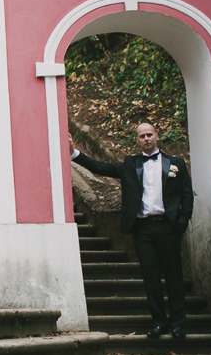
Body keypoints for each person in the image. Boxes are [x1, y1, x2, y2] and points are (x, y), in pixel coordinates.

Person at [69, 123, 193, 339]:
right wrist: (73, 153)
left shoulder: (176, 164)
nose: (146, 138)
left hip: (168, 227)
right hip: (143, 230)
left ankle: (178, 323)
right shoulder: (130, 164)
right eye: (142, 136)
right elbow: (100, 168)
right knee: (150, 276)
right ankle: (159, 322)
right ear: (137, 140)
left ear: (157, 136)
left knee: (174, 275)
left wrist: (181, 222)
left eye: (149, 134)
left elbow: (187, 196)